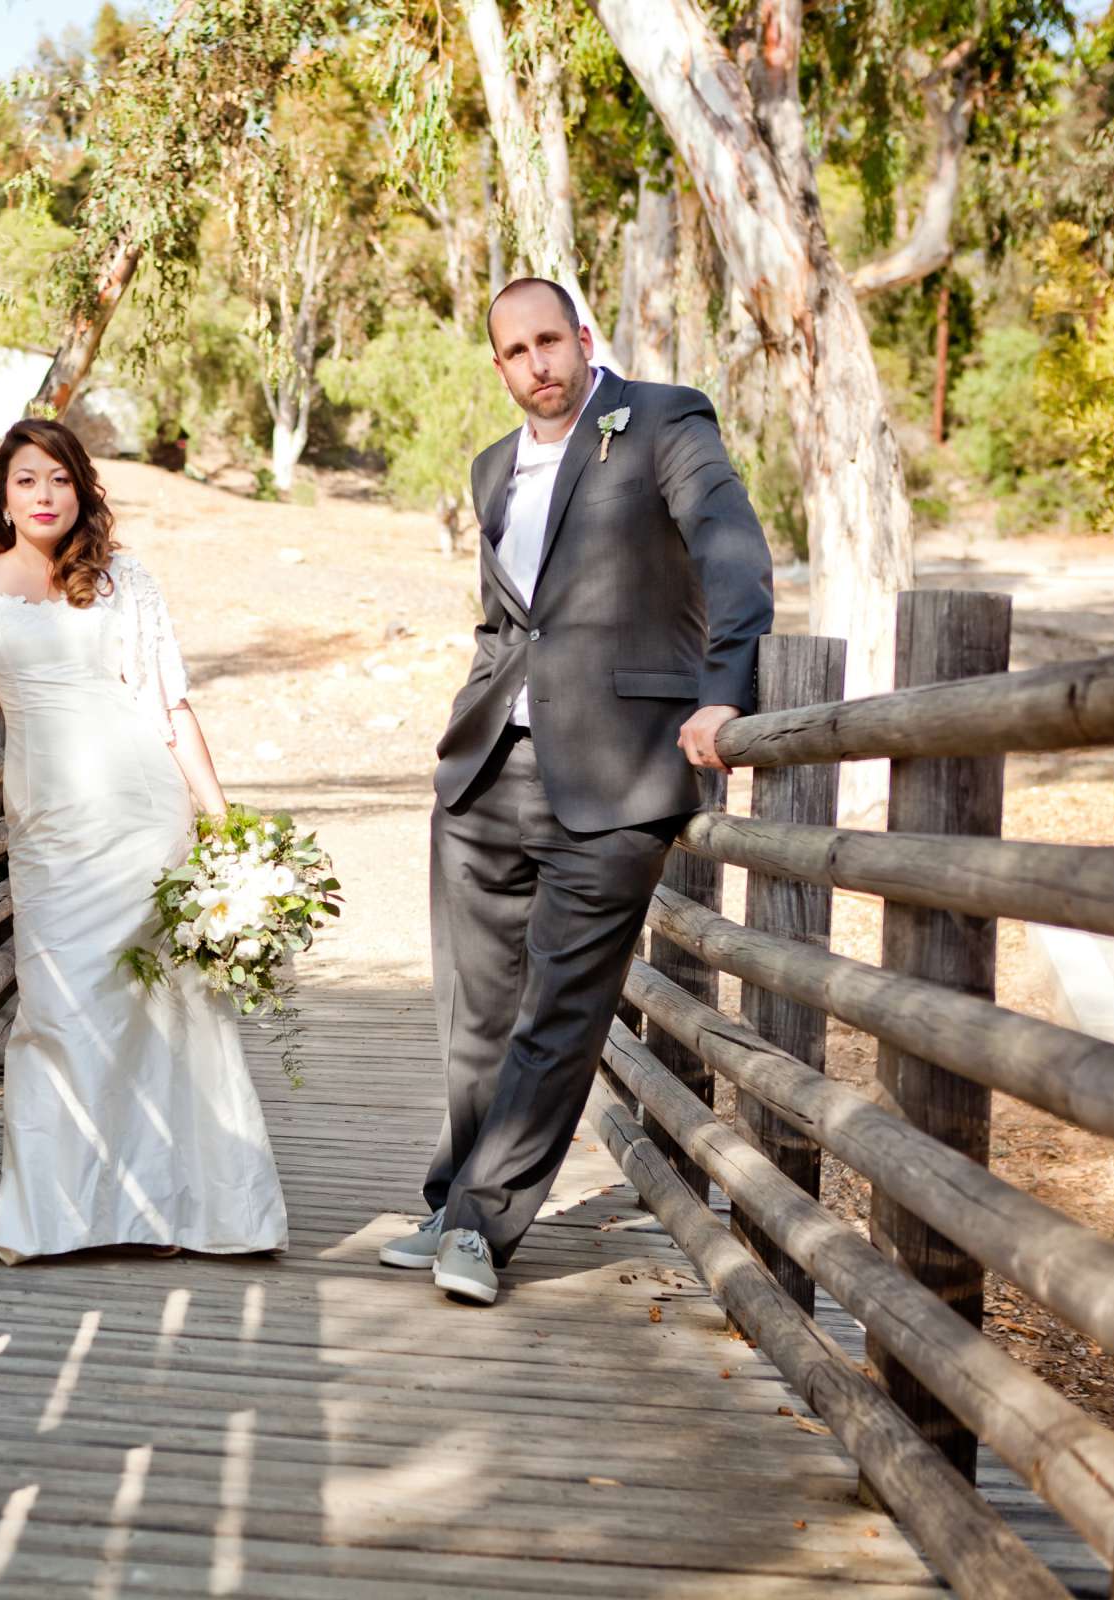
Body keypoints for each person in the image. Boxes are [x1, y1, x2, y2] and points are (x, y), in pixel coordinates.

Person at [380, 278, 773, 1305]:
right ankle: (452, 1196)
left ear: (583, 338)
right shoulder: (492, 468)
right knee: (474, 1010)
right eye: (515, 352)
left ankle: (484, 1225)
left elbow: (735, 555)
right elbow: (509, 622)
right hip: (486, 770)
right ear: (500, 365)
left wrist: (725, 694)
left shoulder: (663, 420)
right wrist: (466, 720)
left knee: (560, 1009)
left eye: (549, 341)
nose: (537, 366)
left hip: (621, 770)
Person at [0, 417, 289, 1265]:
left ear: (81, 488)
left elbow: (169, 702)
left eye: (59, 478)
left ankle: (169, 1211)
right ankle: (51, 1219)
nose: (45, 495)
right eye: (27, 480)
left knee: (158, 1009)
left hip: (142, 810)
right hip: (52, 825)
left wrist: (219, 819)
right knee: (59, 1006)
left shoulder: (122, 579)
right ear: (4, 493)